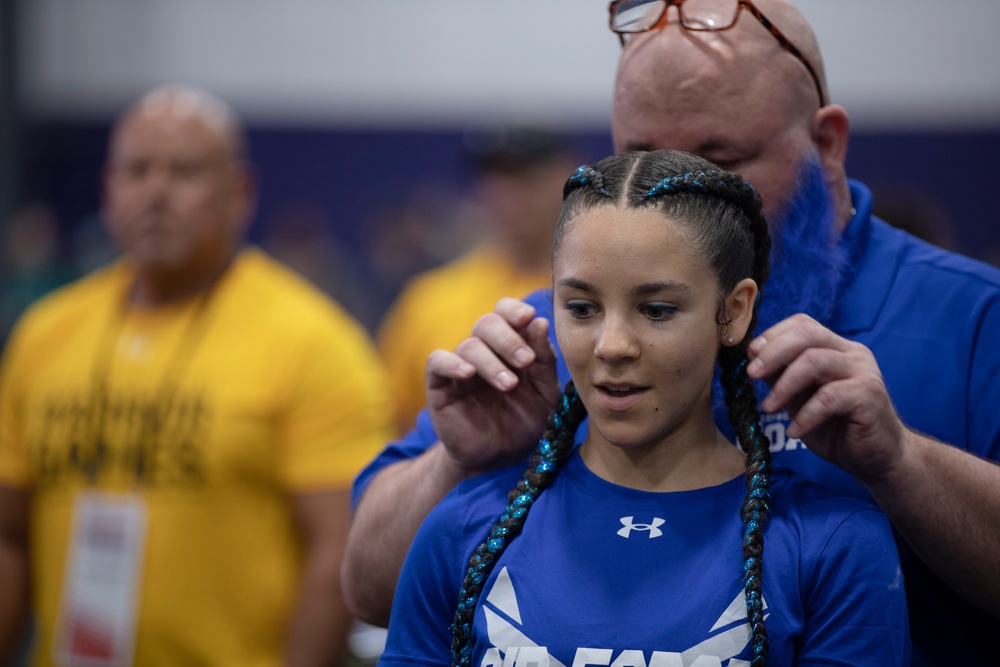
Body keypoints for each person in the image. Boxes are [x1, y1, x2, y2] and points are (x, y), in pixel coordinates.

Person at [343, 2, 1000, 665]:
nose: (685, 195)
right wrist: (460, 460)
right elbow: (371, 589)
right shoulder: (555, 336)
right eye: (645, 156)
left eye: (723, 155)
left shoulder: (970, 318)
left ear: (826, 144)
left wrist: (903, 462)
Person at [379, 149, 908, 666]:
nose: (611, 346)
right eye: (581, 308)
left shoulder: (832, 544)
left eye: (656, 310)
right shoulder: (463, 527)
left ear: (735, 310)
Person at [0, 85, 396, 667]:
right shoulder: (46, 333)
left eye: (183, 172)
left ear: (238, 192)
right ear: (110, 189)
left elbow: (337, 553)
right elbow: (8, 535)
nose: (156, 193)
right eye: (137, 171)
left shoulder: (314, 343)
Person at [376, 127, 575, 431]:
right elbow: (394, 423)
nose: (509, 193)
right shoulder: (429, 298)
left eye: (526, 177)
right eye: (496, 179)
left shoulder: (598, 292)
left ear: (566, 179)